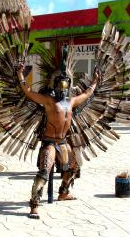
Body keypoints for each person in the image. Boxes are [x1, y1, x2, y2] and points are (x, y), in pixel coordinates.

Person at [17, 65, 99, 219]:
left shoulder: (72, 101)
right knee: (44, 172)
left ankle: (63, 192)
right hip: (49, 143)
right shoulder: (48, 101)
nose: (63, 88)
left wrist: (95, 80)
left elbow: (88, 93)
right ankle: (34, 205)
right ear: (54, 85)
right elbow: (28, 91)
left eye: (65, 85)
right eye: (60, 84)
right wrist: (20, 74)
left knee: (73, 168)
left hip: (62, 142)